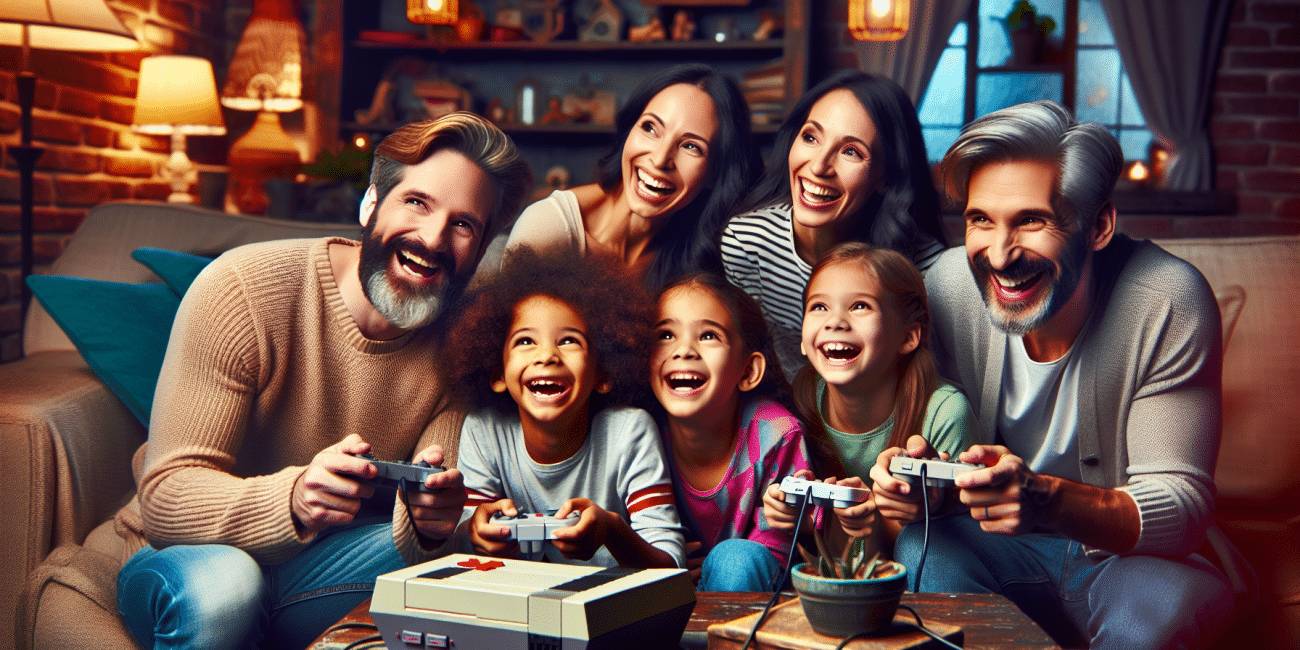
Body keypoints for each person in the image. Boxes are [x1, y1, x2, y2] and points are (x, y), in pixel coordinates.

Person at [114, 113, 533, 650]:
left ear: (479, 251)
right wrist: (293, 498)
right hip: (182, 557)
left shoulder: (466, 342)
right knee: (228, 589)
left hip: (319, 568)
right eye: (417, 203)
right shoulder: (241, 288)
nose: (432, 238)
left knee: (478, 578)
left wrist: (432, 522)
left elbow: (430, 526)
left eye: (463, 225)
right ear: (371, 204)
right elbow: (167, 496)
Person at [879, 100, 1249, 649]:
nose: (1000, 255)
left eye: (1031, 220)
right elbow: (935, 441)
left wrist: (1046, 498)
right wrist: (923, 481)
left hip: (1134, 562)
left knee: (1147, 627)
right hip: (1003, 550)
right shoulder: (948, 286)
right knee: (921, 549)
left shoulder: (1168, 299)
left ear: (1098, 225)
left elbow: (1181, 505)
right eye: (980, 220)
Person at [450, 249, 685, 569]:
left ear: (603, 373)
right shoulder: (484, 429)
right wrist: (475, 532)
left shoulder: (630, 431)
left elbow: (672, 565)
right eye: (525, 341)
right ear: (497, 374)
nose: (547, 356)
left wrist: (612, 531)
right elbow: (463, 548)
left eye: (569, 341)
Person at [721, 70, 948, 380]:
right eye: (811, 137)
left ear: (886, 176)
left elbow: (926, 378)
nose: (818, 166)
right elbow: (752, 358)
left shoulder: (926, 267)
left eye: (851, 152)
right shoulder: (747, 242)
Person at [762, 243, 978, 560]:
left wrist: (875, 521)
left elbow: (953, 547)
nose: (835, 321)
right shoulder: (797, 406)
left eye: (860, 306)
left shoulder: (945, 412)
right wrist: (796, 521)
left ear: (908, 337)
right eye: (819, 307)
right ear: (804, 341)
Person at [504, 62, 760, 291]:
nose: (660, 160)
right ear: (629, 132)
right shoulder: (549, 230)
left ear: (715, 173)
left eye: (691, 146)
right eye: (650, 128)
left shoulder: (702, 259)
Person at [649, 272, 810, 591]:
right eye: (666, 335)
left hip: (753, 595)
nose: (684, 350)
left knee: (734, 560)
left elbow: (774, 551)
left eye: (708, 335)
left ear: (748, 371)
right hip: (662, 597)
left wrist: (718, 568)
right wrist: (668, 566)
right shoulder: (637, 431)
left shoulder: (776, 433)